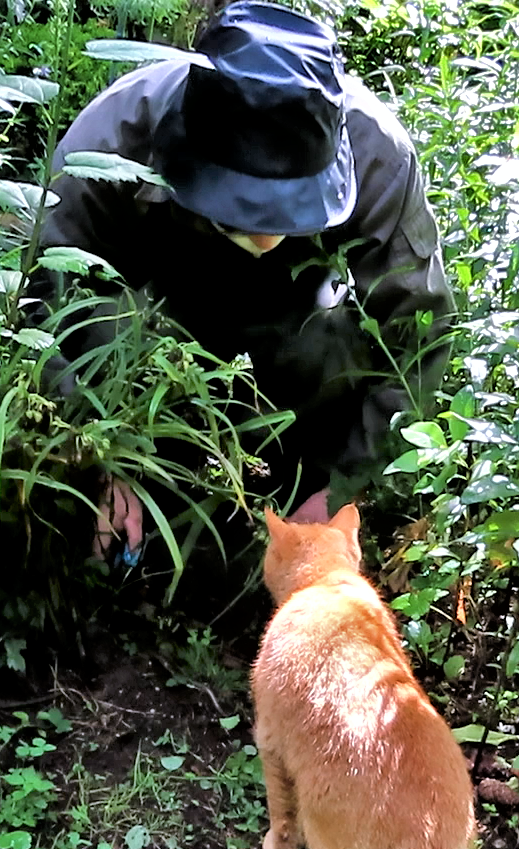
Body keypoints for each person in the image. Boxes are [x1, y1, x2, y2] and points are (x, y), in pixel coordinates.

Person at [32, 1, 454, 561]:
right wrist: (90, 455)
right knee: (99, 323)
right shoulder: (114, 137)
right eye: (240, 214)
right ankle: (149, 491)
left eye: (284, 216)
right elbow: (42, 300)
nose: (262, 239)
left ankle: (284, 483)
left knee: (347, 346)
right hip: (151, 334)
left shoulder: (378, 157)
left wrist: (344, 492)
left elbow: (417, 334)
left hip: (297, 336)